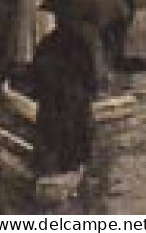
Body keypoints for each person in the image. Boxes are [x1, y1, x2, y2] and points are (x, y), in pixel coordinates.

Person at [30, 15, 98, 179]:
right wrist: (90, 90)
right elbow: (88, 72)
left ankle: (50, 162)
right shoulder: (80, 43)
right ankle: (72, 162)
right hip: (71, 97)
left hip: (52, 97)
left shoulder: (47, 42)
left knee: (51, 130)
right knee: (73, 127)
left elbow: (36, 71)